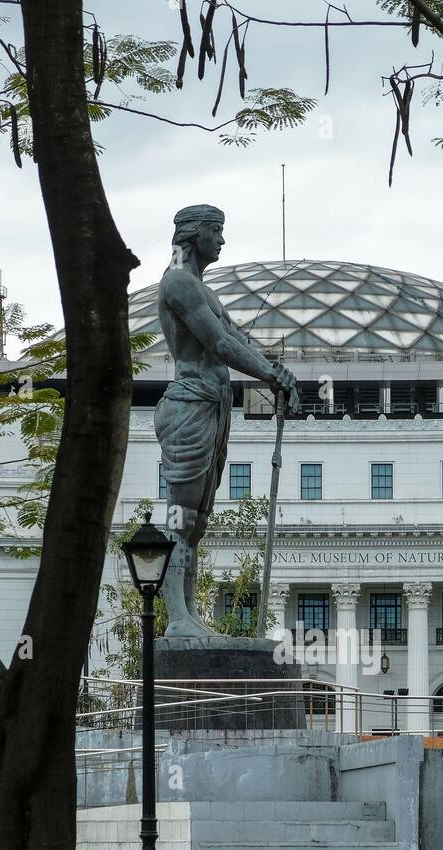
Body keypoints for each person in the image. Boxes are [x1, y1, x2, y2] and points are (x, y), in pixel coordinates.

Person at [155, 204, 300, 639]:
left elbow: (238, 339)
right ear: (194, 234)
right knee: (182, 513)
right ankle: (177, 615)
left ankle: (189, 616)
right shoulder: (179, 282)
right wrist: (270, 375)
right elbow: (217, 343)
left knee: (197, 519)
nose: (222, 240)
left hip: (214, 404)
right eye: (216, 231)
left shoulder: (204, 289)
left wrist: (275, 370)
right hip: (190, 403)